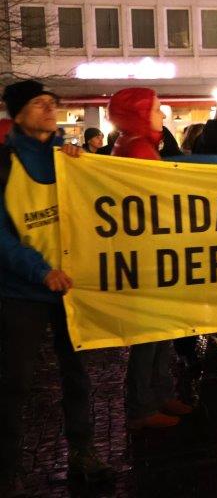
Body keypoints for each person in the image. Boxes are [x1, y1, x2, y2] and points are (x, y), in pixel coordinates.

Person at [0, 80, 114, 494]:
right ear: (17, 113)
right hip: (22, 292)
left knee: (77, 374)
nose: (49, 109)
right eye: (38, 103)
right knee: (14, 383)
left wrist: (87, 167)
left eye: (52, 103)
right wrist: (40, 271)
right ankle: (7, 470)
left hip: (71, 287)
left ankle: (84, 451)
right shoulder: (4, 164)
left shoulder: (68, 158)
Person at [108, 87, 193, 430]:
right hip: (148, 255)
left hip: (150, 252)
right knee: (151, 332)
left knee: (162, 328)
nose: (163, 115)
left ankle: (159, 393)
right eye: (157, 109)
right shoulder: (138, 149)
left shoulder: (136, 144)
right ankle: (143, 406)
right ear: (140, 114)